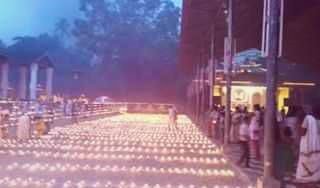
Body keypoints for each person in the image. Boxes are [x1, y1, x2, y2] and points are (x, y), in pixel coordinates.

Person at [296, 105, 320, 182]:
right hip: (317, 147)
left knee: (304, 167)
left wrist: (298, 124)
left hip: (307, 148)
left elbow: (302, 133)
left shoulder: (308, 118)